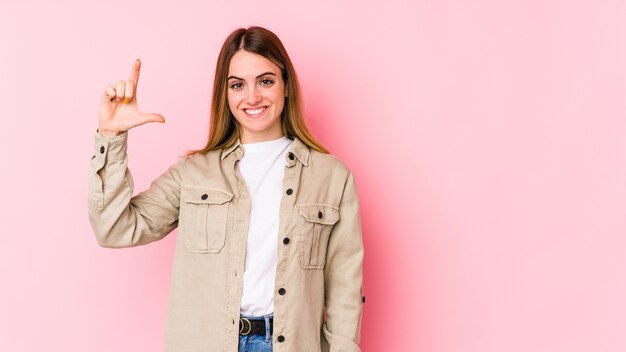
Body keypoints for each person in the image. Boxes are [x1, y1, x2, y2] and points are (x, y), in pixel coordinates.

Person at [88, 26, 364, 352]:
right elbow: (114, 228)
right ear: (225, 93)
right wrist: (112, 136)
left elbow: (345, 289)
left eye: (265, 80)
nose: (252, 97)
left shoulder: (332, 177)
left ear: (286, 85)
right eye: (237, 85)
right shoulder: (194, 174)